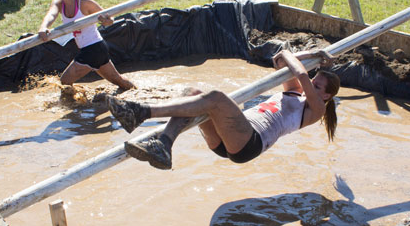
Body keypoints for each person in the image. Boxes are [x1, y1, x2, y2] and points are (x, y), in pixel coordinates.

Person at [106, 49, 338, 170]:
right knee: (193, 94)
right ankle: (164, 145)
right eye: (313, 80)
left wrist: (314, 58)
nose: (311, 86)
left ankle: (141, 111)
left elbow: (298, 72)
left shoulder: (315, 109)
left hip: (250, 142)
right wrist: (314, 55)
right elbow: (279, 61)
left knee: (217, 98)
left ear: (326, 96)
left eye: (317, 86)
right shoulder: (295, 93)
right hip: (229, 138)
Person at [38, 0, 135, 91]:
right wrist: (44, 27)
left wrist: (105, 21)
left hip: (94, 48)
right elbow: (51, 15)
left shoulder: (84, 2)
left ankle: (75, 105)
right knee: (118, 80)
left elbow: (109, 20)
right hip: (90, 49)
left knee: (65, 81)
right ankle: (138, 91)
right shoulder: (58, 3)